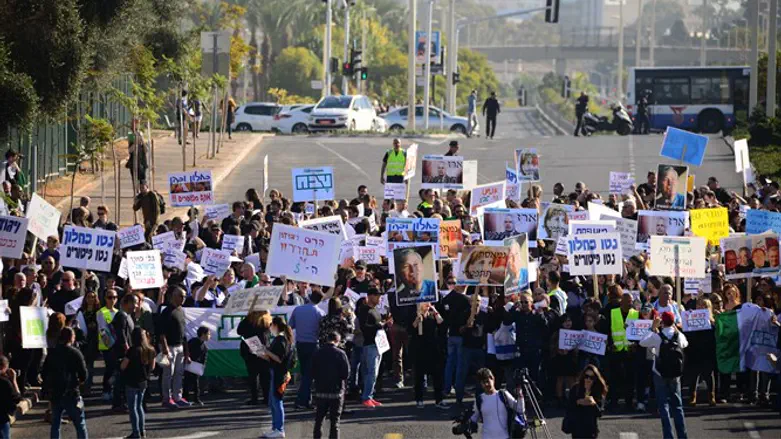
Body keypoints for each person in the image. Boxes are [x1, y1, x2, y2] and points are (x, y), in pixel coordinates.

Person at [639, 311, 689, 439]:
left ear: (662, 322)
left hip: (660, 373)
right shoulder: (678, 336)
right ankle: (682, 435)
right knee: (677, 405)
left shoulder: (657, 336)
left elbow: (642, 342)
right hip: (675, 374)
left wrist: (652, 328)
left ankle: (668, 436)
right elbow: (685, 344)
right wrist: (677, 330)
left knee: (663, 405)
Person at [43, 327, 88, 439]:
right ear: (71, 338)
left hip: (55, 392)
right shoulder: (75, 353)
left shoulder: (52, 353)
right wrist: (79, 382)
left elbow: (44, 372)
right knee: (80, 424)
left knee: (55, 425)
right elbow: (84, 374)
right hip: (71, 392)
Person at [289, 289, 326, 410]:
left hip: (300, 344)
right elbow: (322, 331)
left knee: (305, 372)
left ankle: (306, 400)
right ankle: (302, 400)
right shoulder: (319, 312)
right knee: (309, 375)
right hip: (313, 344)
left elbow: (291, 326)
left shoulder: (298, 309)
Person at [259, 316, 294, 439]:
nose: (270, 327)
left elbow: (279, 359)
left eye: (271, 325)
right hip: (276, 372)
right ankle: (275, 428)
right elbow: (273, 358)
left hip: (279, 374)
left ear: (275, 325)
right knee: (273, 401)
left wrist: (266, 351)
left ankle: (279, 429)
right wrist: (261, 353)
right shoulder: (280, 339)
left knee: (277, 401)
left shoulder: (281, 340)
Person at [312, 332, 350, 439]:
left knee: (319, 419)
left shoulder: (317, 353)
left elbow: (312, 371)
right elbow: (346, 374)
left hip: (320, 391)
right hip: (336, 392)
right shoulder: (341, 353)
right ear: (337, 341)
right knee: (335, 421)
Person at [468, 368, 525, 439]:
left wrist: (520, 396)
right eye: (483, 382)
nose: (486, 384)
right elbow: (474, 417)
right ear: (480, 384)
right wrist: (464, 423)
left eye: (487, 381)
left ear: (493, 379)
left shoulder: (503, 394)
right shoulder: (479, 399)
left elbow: (520, 409)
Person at [121, 328, 156, 439]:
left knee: (133, 408)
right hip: (143, 381)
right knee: (140, 406)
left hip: (132, 381)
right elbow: (153, 366)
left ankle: (136, 433)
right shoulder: (150, 349)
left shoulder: (132, 350)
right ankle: (142, 431)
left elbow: (123, 366)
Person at [158, 286, 191, 408]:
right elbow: (161, 332)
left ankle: (177, 396)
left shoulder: (181, 310)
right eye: (181, 296)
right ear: (173, 296)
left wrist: (186, 351)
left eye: (184, 296)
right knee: (168, 374)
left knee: (178, 373)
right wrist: (165, 347)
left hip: (180, 346)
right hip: (169, 347)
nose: (183, 298)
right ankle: (167, 398)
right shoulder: (167, 311)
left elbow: (183, 332)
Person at [411, 302, 447, 408]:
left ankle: (439, 400)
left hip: (434, 350)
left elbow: (441, 323)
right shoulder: (416, 315)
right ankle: (419, 399)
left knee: (437, 376)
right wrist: (418, 319)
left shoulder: (433, 316)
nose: (427, 305)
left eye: (428, 303)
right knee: (419, 376)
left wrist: (435, 311)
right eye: (424, 303)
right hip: (420, 350)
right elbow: (412, 328)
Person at [238, 310, 272, 405]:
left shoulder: (249, 321)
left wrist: (247, 317)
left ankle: (255, 398)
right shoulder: (267, 321)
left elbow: (239, 331)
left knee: (253, 375)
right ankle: (266, 397)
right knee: (265, 375)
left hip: (251, 348)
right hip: (264, 348)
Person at [564, 364, 608, 439]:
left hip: (591, 430)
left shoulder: (597, 390)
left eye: (591, 378)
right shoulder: (576, 389)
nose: (588, 379)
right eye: (586, 376)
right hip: (577, 429)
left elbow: (600, 413)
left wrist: (593, 403)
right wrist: (578, 402)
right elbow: (569, 408)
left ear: (595, 379)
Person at [111, 293, 138, 411]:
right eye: (134, 303)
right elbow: (121, 333)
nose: (136, 306)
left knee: (124, 377)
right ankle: (118, 403)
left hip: (127, 351)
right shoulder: (121, 315)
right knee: (120, 378)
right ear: (127, 303)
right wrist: (126, 347)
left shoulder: (128, 315)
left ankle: (122, 401)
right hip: (122, 352)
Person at [359, 287, 385, 408]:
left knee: (374, 372)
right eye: (377, 296)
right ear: (370, 296)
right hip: (370, 344)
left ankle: (369, 395)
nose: (379, 298)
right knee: (371, 372)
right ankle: (366, 397)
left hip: (378, 344)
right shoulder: (364, 310)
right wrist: (378, 326)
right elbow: (364, 327)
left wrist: (383, 324)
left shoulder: (374, 310)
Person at [97, 289, 118, 402]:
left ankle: (113, 390)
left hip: (116, 344)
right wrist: (108, 342)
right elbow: (102, 328)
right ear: (105, 298)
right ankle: (106, 391)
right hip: (107, 345)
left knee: (115, 369)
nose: (112, 300)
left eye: (114, 297)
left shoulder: (117, 311)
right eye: (110, 297)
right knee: (109, 369)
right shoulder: (102, 312)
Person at [184, 326, 210, 406]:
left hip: (196, 367)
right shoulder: (192, 342)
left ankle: (196, 398)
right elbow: (186, 350)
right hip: (189, 364)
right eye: (208, 334)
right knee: (187, 382)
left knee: (196, 382)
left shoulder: (204, 346)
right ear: (203, 334)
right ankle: (185, 398)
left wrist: (202, 366)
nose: (209, 336)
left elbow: (204, 358)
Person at [0, 355, 22, 439]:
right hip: (2, 419)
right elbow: (17, 398)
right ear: (3, 366)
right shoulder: (5, 382)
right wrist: (14, 380)